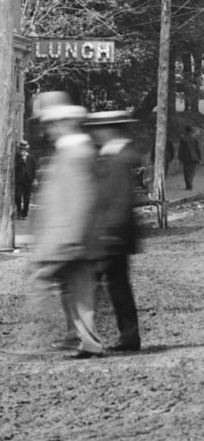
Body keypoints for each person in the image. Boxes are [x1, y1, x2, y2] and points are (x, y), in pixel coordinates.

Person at [30, 91, 104, 359]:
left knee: (51, 286)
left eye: (50, 124)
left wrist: (70, 239)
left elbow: (79, 199)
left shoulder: (74, 153)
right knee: (78, 292)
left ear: (65, 122)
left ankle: (36, 339)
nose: (48, 130)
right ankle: (83, 339)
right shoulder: (74, 151)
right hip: (72, 237)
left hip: (69, 238)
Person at [86, 109, 143, 353]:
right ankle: (127, 337)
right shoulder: (115, 154)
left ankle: (86, 337)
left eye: (98, 129)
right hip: (114, 233)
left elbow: (120, 198)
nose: (95, 134)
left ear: (109, 129)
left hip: (112, 233)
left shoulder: (118, 158)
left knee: (95, 286)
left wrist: (109, 230)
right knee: (117, 286)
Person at [14, 140, 36, 220]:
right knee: (18, 196)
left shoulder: (30, 157)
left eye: (24, 149)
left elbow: (33, 168)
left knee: (27, 198)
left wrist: (34, 179)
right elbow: (15, 167)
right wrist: (21, 159)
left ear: (26, 149)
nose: (22, 150)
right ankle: (19, 211)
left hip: (28, 180)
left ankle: (24, 214)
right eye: (21, 149)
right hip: (19, 180)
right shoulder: (17, 157)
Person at [178, 124, 202, 190]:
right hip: (194, 158)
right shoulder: (195, 138)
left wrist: (180, 158)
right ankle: (190, 184)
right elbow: (198, 149)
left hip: (185, 159)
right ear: (191, 131)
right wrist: (199, 158)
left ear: (185, 131)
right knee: (192, 172)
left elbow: (181, 149)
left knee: (186, 172)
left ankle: (188, 186)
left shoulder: (183, 139)